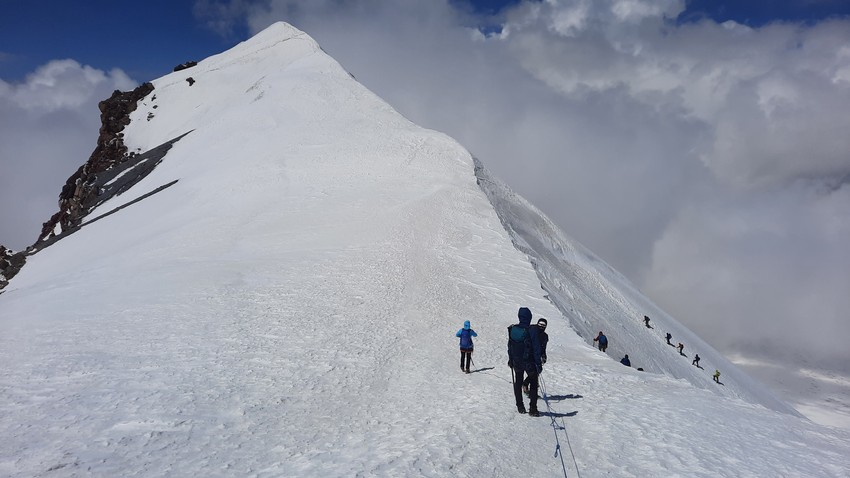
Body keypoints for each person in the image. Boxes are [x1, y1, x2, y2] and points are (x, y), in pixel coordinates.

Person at [508, 307, 543, 417]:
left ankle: (520, 406)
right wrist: (538, 364)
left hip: (517, 362)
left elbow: (510, 346)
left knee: (518, 382)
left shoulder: (513, 329)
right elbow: (537, 349)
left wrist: (511, 359)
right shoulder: (532, 330)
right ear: (529, 317)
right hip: (529, 362)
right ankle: (533, 408)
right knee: (533, 383)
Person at [523, 318, 549, 395]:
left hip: (537, 356)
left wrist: (543, 356)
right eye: (540, 324)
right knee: (533, 373)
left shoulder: (544, 336)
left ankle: (526, 384)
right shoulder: (532, 331)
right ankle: (531, 392)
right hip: (529, 355)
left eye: (543, 325)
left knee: (536, 372)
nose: (541, 326)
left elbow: (543, 347)